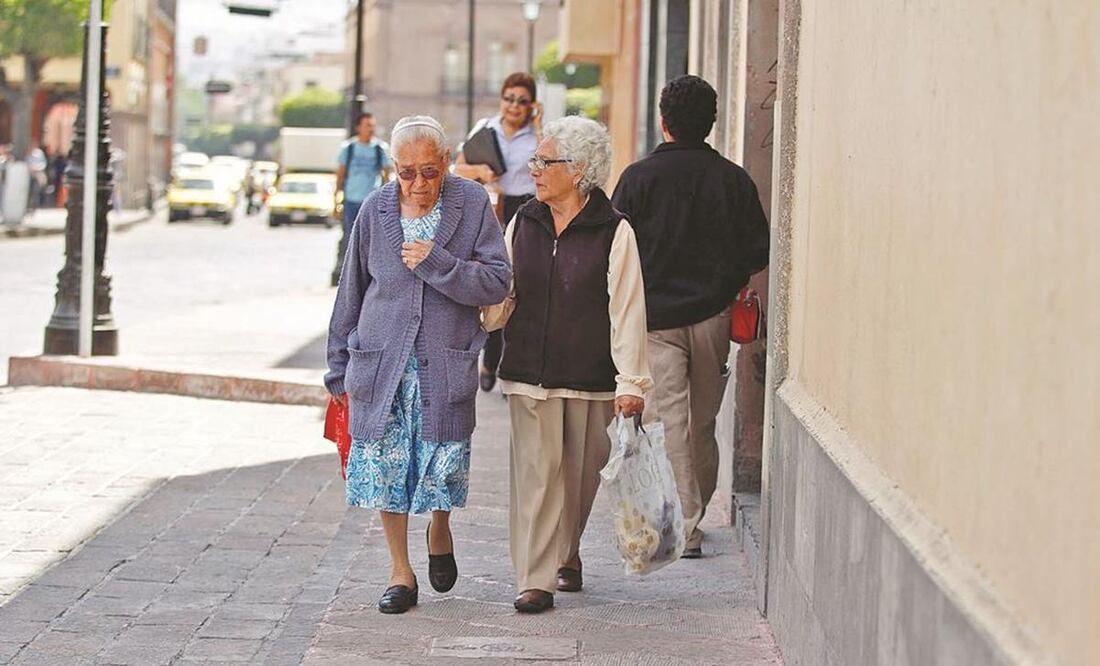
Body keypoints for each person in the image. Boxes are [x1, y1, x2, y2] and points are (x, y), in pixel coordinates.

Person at [325, 115, 512, 615]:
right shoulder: (374, 210)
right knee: (386, 469)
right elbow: (352, 292)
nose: (418, 183)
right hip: (381, 363)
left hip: (444, 361)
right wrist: (337, 365)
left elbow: (497, 281)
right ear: (393, 168)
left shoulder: (472, 204)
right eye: (406, 173)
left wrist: (438, 263)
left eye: (429, 171)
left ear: (447, 163)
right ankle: (399, 573)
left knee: (441, 466)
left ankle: (440, 526)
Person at [482, 116, 652, 613]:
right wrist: (480, 314)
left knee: (576, 483)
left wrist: (632, 382)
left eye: (544, 161)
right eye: (535, 159)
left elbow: (627, 310)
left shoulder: (614, 231)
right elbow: (504, 291)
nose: (533, 169)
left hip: (590, 379)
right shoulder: (525, 221)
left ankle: (566, 553)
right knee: (536, 478)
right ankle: (534, 578)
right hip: (527, 375)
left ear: (577, 170)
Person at [611, 75, 770, 559]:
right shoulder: (734, 180)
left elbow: (616, 251)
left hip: (655, 320)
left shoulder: (637, 179)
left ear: (664, 122)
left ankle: (688, 524)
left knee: (671, 421)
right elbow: (758, 250)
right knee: (702, 420)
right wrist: (725, 283)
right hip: (713, 317)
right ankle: (692, 514)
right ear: (711, 123)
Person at [454, 72, 541, 393]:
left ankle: (510, 364)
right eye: (509, 98)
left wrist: (541, 122)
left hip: (529, 212)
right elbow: (457, 167)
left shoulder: (537, 136)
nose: (514, 106)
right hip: (493, 210)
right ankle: (490, 361)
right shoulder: (485, 129)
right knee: (496, 286)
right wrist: (479, 171)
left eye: (522, 101)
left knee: (525, 288)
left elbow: (549, 163)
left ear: (531, 105)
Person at [336, 111, 394, 237]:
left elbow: (387, 176)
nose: (371, 129)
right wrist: (336, 200)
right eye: (367, 125)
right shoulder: (349, 148)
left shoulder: (380, 148)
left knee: (371, 236)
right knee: (350, 236)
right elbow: (340, 174)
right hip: (351, 200)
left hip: (372, 201)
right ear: (358, 127)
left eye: (372, 125)